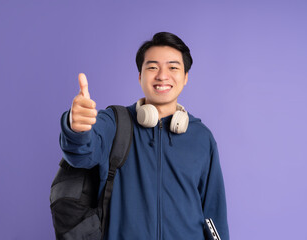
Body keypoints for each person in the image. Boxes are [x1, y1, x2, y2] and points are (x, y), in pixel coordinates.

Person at [59, 32, 229, 240]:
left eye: (173, 67)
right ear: (140, 76)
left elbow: (214, 215)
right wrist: (77, 127)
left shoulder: (202, 138)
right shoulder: (114, 122)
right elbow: (80, 154)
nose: (162, 76)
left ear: (185, 78)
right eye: (152, 67)